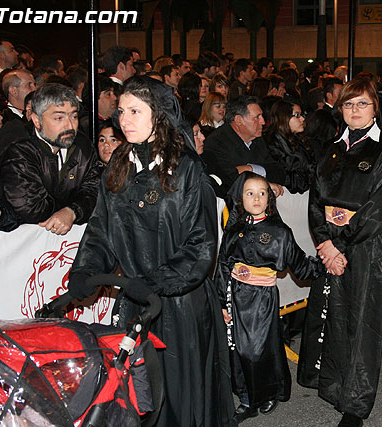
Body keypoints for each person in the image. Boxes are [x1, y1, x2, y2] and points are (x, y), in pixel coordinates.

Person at [66, 75, 236, 427]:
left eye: (134, 111)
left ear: (158, 115)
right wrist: (84, 272)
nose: (123, 120)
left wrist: (155, 282)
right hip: (136, 301)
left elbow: (201, 246)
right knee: (138, 395)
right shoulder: (118, 166)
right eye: (121, 111)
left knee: (179, 397)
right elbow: (101, 228)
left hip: (182, 305)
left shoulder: (188, 169)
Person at [298, 77, 382, 427]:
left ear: (376, 108)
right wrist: (326, 243)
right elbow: (316, 199)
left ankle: (357, 404)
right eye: (348, 104)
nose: (355, 110)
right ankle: (332, 384)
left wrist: (338, 245)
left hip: (370, 246)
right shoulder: (330, 147)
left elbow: (378, 207)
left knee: (364, 320)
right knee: (334, 313)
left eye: (362, 104)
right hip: (333, 245)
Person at [215, 172, 323, 423]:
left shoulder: (279, 232)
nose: (256, 198)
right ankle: (246, 396)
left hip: (261, 299)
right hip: (235, 296)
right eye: (249, 193)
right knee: (237, 350)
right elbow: (222, 267)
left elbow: (300, 266)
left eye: (262, 193)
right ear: (240, 199)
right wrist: (221, 302)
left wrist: (324, 265)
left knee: (257, 350)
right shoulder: (233, 230)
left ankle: (266, 394)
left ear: (270, 198)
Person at [0, 83, 100, 234]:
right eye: (58, 118)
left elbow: (95, 190)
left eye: (73, 116)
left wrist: (72, 212)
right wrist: (72, 209)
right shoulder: (19, 149)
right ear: (36, 120)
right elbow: (31, 208)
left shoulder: (82, 145)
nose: (69, 125)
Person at [203, 95, 285, 196]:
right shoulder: (216, 143)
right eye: (257, 117)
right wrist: (263, 182)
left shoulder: (257, 139)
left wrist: (250, 168)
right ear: (239, 120)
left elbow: (279, 172)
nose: (263, 122)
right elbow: (228, 181)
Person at [264, 100, 314, 194]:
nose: (302, 119)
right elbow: (284, 176)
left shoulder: (297, 139)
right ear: (284, 117)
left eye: (302, 114)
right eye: (297, 115)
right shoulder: (271, 143)